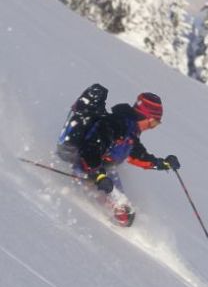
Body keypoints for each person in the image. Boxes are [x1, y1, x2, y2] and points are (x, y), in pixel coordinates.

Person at [56, 84, 180, 226]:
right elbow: (91, 148)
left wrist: (163, 164)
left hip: (104, 170)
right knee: (122, 212)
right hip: (87, 168)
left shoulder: (131, 132)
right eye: (155, 123)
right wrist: (99, 176)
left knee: (125, 213)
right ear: (148, 117)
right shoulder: (116, 125)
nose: (153, 127)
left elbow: (137, 156)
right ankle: (102, 230)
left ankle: (117, 231)